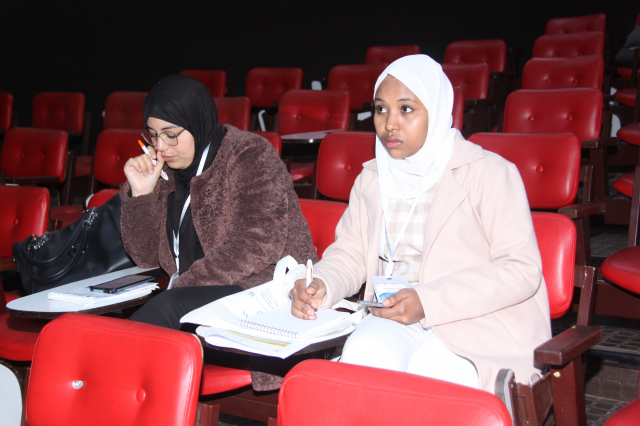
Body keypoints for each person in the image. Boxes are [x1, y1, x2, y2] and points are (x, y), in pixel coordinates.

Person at [290, 55, 552, 393]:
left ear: (437, 109)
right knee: (362, 356)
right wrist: (323, 284)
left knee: (431, 373)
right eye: (381, 109)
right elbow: (350, 254)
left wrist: (427, 300)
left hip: (479, 315)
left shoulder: (490, 173)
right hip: (396, 310)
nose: (390, 124)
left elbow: (520, 269)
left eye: (406, 109)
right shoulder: (372, 179)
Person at [121, 74, 317, 330]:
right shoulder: (164, 170)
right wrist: (141, 194)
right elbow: (145, 258)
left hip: (261, 285)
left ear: (196, 122)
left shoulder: (249, 154)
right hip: (193, 290)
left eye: (170, 135)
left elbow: (256, 246)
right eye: (153, 135)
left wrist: (181, 287)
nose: (161, 146)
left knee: (164, 310)